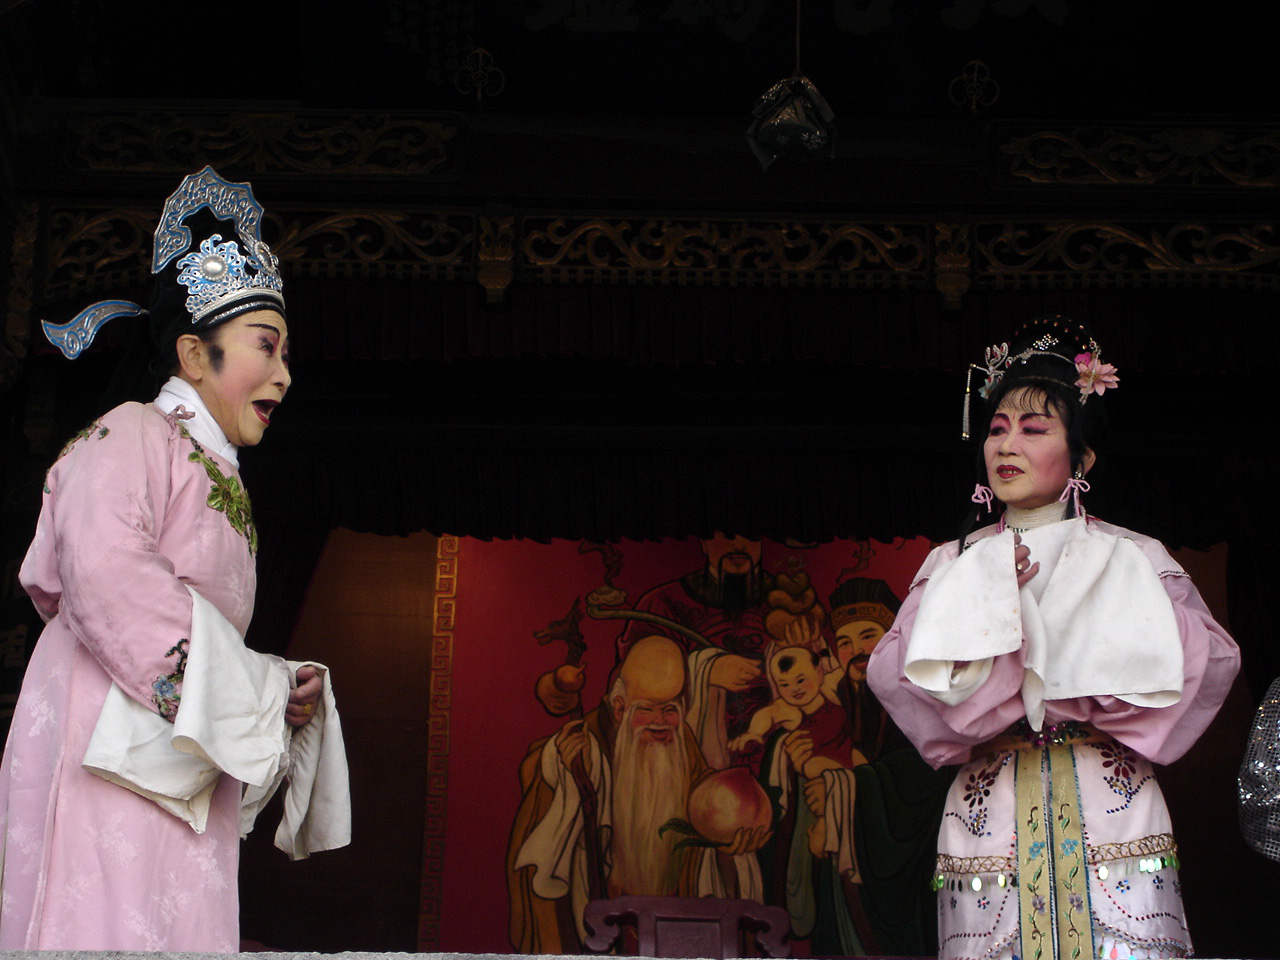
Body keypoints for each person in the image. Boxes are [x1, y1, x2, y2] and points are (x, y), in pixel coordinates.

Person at [0, 167, 349, 951]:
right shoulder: (130, 434)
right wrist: (247, 689)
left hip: (180, 765)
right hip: (104, 746)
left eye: (287, 352)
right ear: (194, 353)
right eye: (267, 346)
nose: (286, 375)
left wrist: (275, 692)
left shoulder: (214, 470)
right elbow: (107, 573)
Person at [866, 316, 1240, 960]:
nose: (1006, 445)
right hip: (989, 806)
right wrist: (989, 608)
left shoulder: (1132, 556)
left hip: (1112, 801)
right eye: (997, 429)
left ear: (1082, 456)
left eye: (1034, 429)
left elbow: (1208, 663)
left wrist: (1075, 683)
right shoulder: (953, 564)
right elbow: (894, 674)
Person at [507, 634, 769, 953]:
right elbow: (543, 840)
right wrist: (563, 776)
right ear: (620, 707)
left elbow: (704, 819)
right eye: (646, 709)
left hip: (673, 926)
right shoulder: (582, 753)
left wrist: (727, 840)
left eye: (670, 709)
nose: (660, 722)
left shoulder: (681, 741)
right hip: (608, 927)